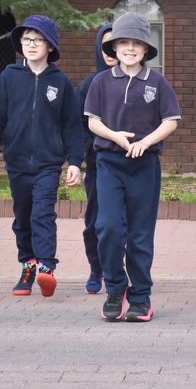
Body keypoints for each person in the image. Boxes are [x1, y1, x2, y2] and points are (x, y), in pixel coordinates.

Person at [83, 12, 181, 322]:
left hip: (144, 166)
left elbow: (171, 121)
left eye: (135, 43)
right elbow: (92, 121)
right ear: (113, 48)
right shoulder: (100, 81)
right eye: (122, 42)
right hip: (109, 163)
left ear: (146, 49)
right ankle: (115, 288)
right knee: (107, 227)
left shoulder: (157, 82)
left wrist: (145, 142)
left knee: (140, 235)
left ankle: (140, 295)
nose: (129, 48)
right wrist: (116, 137)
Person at [0, 15, 83, 298]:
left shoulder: (60, 82)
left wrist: (75, 161)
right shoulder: (9, 77)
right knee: (23, 218)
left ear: (50, 46)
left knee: (43, 213)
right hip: (17, 162)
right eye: (27, 40)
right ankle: (28, 266)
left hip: (49, 163)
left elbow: (72, 126)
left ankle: (47, 268)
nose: (32, 44)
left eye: (38, 40)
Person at [75, 23, 115, 294]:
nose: (112, 51)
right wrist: (80, 160)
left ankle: (118, 269)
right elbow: (78, 126)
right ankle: (96, 268)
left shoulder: (140, 82)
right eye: (107, 46)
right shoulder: (89, 85)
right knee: (96, 221)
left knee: (121, 224)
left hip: (130, 164)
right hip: (98, 165)